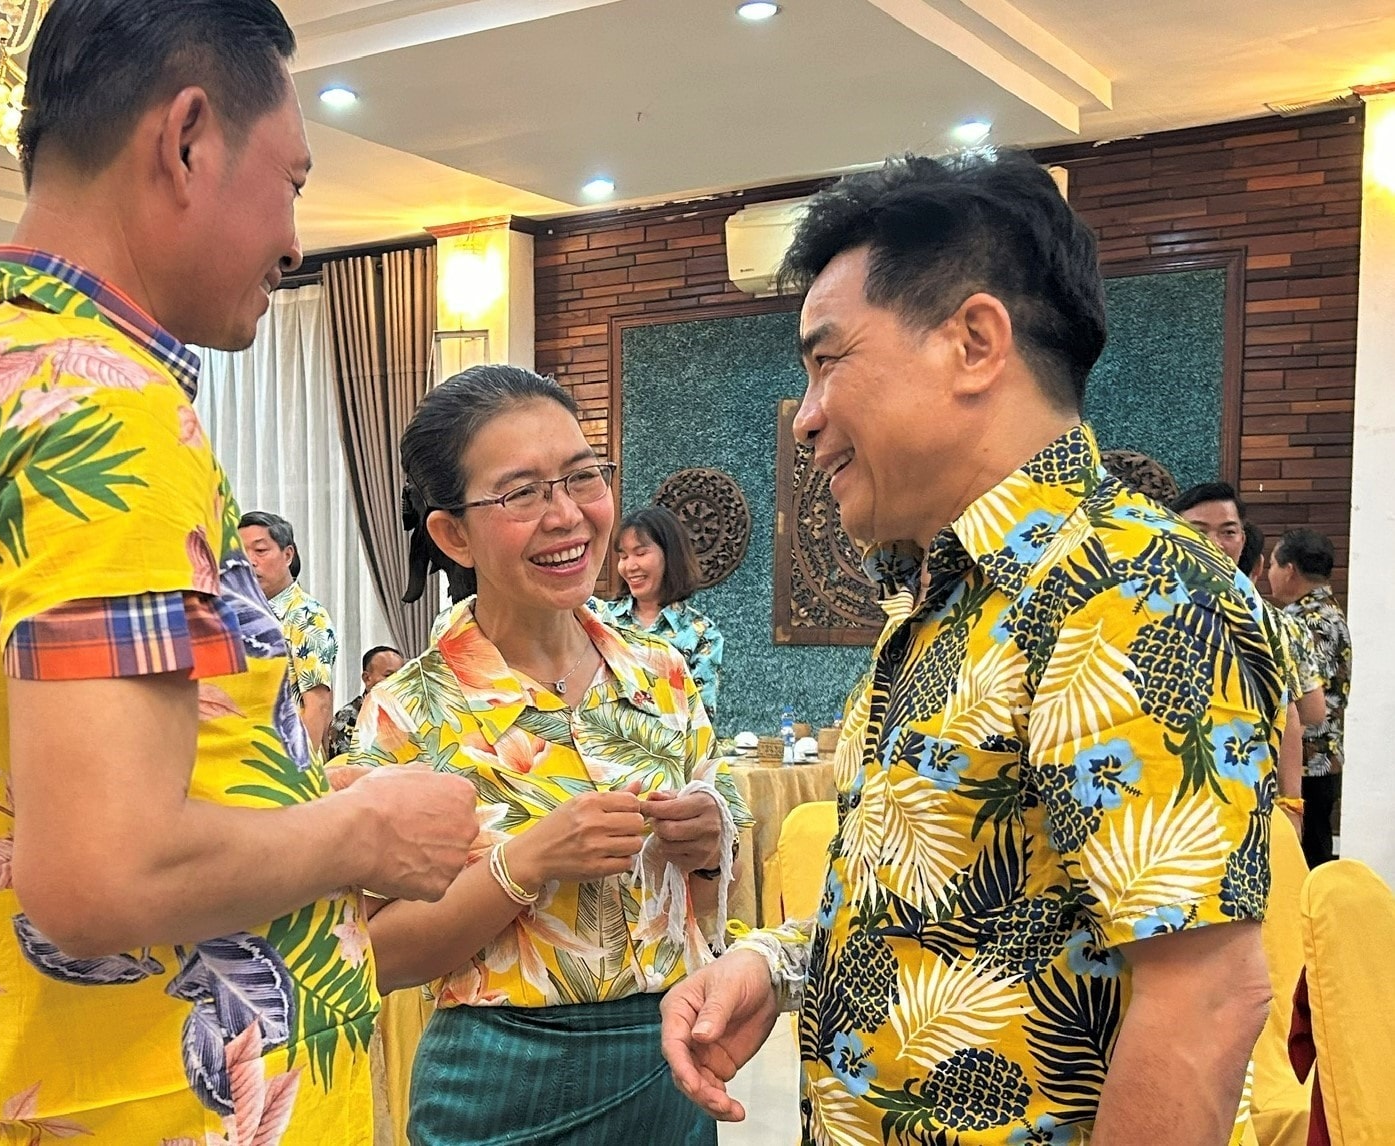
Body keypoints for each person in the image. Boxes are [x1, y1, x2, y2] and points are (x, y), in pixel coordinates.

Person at [0, 2, 477, 1141]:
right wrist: (361, 837)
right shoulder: (102, 404)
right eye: (292, 180)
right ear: (189, 138)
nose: (296, 237)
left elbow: (92, 788)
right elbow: (103, 872)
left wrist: (302, 804)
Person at [661, 151, 1286, 1146]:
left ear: (973, 342)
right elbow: (951, 918)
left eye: (827, 361)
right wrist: (773, 965)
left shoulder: (1124, 588)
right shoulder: (946, 602)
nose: (808, 419)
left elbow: (1202, 1002)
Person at [348, 364, 753, 1145]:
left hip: (667, 1057)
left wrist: (709, 843)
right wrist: (524, 863)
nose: (566, 515)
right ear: (451, 533)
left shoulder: (662, 674)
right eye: (521, 493)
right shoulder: (409, 710)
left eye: (581, 478)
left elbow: (715, 892)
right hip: (500, 1076)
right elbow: (377, 956)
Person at [1172, 483, 1327, 838]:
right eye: (1198, 531)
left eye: (1228, 531)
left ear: (1242, 539)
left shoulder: (1267, 621)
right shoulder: (1141, 609)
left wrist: (1292, 807)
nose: (1215, 543)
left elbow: (1289, 712)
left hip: (1247, 802)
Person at [1269, 528, 1352, 867]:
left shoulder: (1300, 622)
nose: (1269, 574)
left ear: (1289, 570)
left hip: (1302, 763)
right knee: (1316, 854)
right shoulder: (1333, 613)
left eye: (1273, 564)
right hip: (1325, 759)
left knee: (1299, 863)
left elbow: (1303, 702)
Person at [603, 505, 725, 720]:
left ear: (670, 556)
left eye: (640, 553)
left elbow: (701, 718)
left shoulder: (702, 634)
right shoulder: (603, 620)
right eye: (623, 556)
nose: (629, 566)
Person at [239, 509, 338, 749]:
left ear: (287, 555)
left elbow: (318, 705)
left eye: (260, 551)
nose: (250, 561)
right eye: (242, 553)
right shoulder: (239, 614)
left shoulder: (306, 615)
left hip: (284, 765)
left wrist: (298, 774)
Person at [326, 644, 403, 757]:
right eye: (389, 675)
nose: (397, 682)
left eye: (402, 676)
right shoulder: (348, 718)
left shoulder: (411, 711)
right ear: (367, 678)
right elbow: (346, 767)